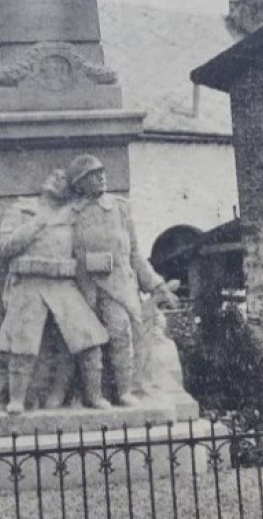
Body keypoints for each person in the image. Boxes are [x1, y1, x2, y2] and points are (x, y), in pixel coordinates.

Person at [0, 168, 112, 414]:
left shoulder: (73, 215)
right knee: (22, 343)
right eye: (54, 175)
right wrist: (38, 222)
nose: (58, 178)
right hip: (29, 282)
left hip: (62, 283)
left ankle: (95, 396)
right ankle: (17, 399)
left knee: (89, 338)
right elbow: (3, 247)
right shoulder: (21, 209)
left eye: (64, 179)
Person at [65, 155, 179, 406]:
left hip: (120, 285)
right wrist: (85, 265)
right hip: (86, 288)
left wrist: (156, 284)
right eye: (93, 175)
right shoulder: (72, 214)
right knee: (88, 341)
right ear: (80, 183)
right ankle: (91, 395)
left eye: (102, 172)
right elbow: (63, 251)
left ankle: (125, 391)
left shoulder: (120, 207)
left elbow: (135, 254)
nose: (101, 177)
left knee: (121, 333)